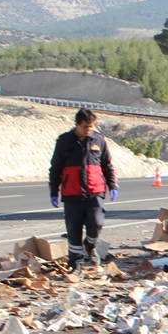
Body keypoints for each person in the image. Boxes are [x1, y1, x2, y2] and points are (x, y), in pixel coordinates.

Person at [49, 108, 118, 271]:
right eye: (85, 126)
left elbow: (107, 166)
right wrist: (54, 192)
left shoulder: (98, 140)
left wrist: (112, 185)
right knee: (74, 231)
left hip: (95, 192)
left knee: (97, 223)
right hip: (72, 194)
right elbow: (55, 169)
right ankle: (76, 264)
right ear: (77, 124)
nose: (89, 129)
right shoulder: (64, 141)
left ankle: (90, 245)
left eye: (91, 126)